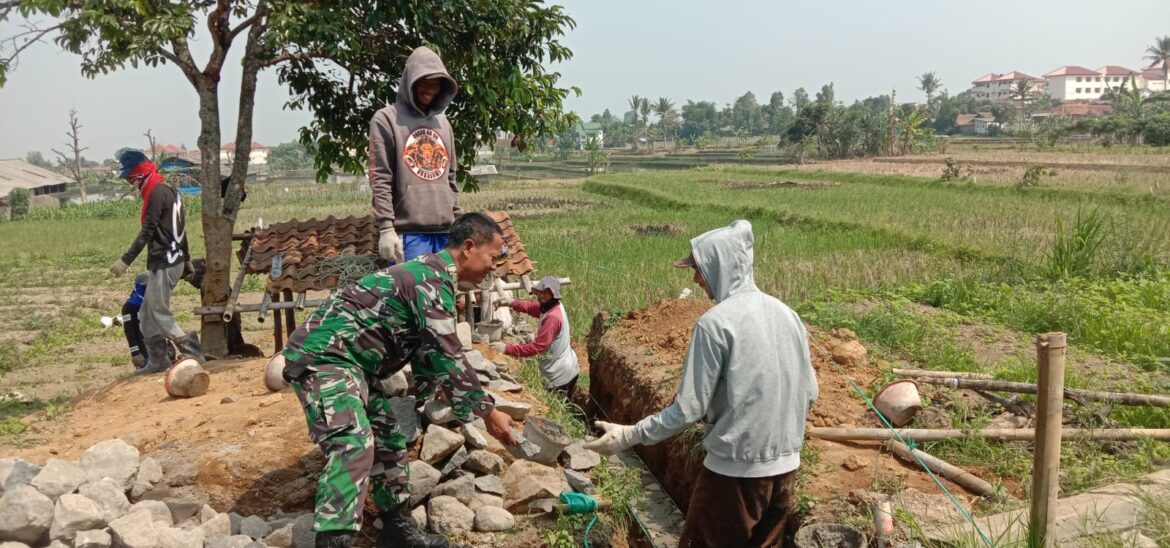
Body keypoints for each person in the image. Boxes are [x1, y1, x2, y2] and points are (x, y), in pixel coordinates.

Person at [281, 213, 518, 548]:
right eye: (493, 258)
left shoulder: (434, 278)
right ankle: (334, 541)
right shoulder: (430, 280)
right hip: (324, 358)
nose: (494, 267)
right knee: (353, 441)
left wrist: (437, 389)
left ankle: (397, 528)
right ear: (468, 247)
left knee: (389, 439)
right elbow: (449, 354)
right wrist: (489, 413)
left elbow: (427, 351)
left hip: (356, 365)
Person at [584, 220, 819, 547]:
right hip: (785, 472)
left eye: (700, 268)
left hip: (734, 475)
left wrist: (628, 435)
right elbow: (811, 393)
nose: (696, 279)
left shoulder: (716, 324)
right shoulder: (788, 315)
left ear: (720, 265)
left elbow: (687, 410)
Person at [109, 150, 204, 373]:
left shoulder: (157, 192)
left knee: (159, 313)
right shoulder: (166, 189)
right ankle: (159, 361)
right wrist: (187, 258)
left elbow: (149, 230)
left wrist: (125, 260)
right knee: (146, 315)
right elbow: (179, 227)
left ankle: (193, 354)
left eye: (130, 177)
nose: (130, 183)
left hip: (166, 260)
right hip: (167, 259)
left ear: (140, 172)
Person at [369, 45, 462, 263]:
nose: (430, 89)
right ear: (410, 80)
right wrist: (385, 227)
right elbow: (380, 176)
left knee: (445, 295)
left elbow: (451, 177)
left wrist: (459, 222)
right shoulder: (386, 119)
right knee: (413, 295)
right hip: (409, 234)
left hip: (445, 232)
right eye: (424, 81)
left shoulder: (443, 123)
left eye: (436, 83)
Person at [489, 276, 580, 399]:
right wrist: (511, 302)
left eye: (546, 293)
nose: (542, 296)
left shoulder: (552, 318)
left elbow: (537, 347)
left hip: (559, 376)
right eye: (540, 292)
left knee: (556, 408)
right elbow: (532, 308)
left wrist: (507, 349)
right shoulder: (552, 305)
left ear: (554, 295)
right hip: (567, 365)